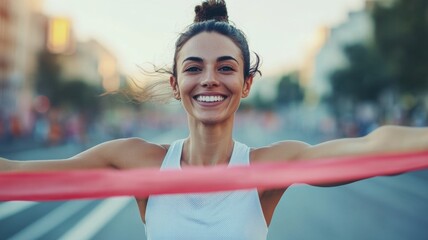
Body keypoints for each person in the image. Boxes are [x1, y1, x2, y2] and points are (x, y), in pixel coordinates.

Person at [1, 0, 428, 239]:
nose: (209, 79)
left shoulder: (267, 168)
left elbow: (373, 146)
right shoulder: (136, 159)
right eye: (193, 68)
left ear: (246, 84)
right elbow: (17, 173)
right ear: (175, 83)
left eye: (226, 68)